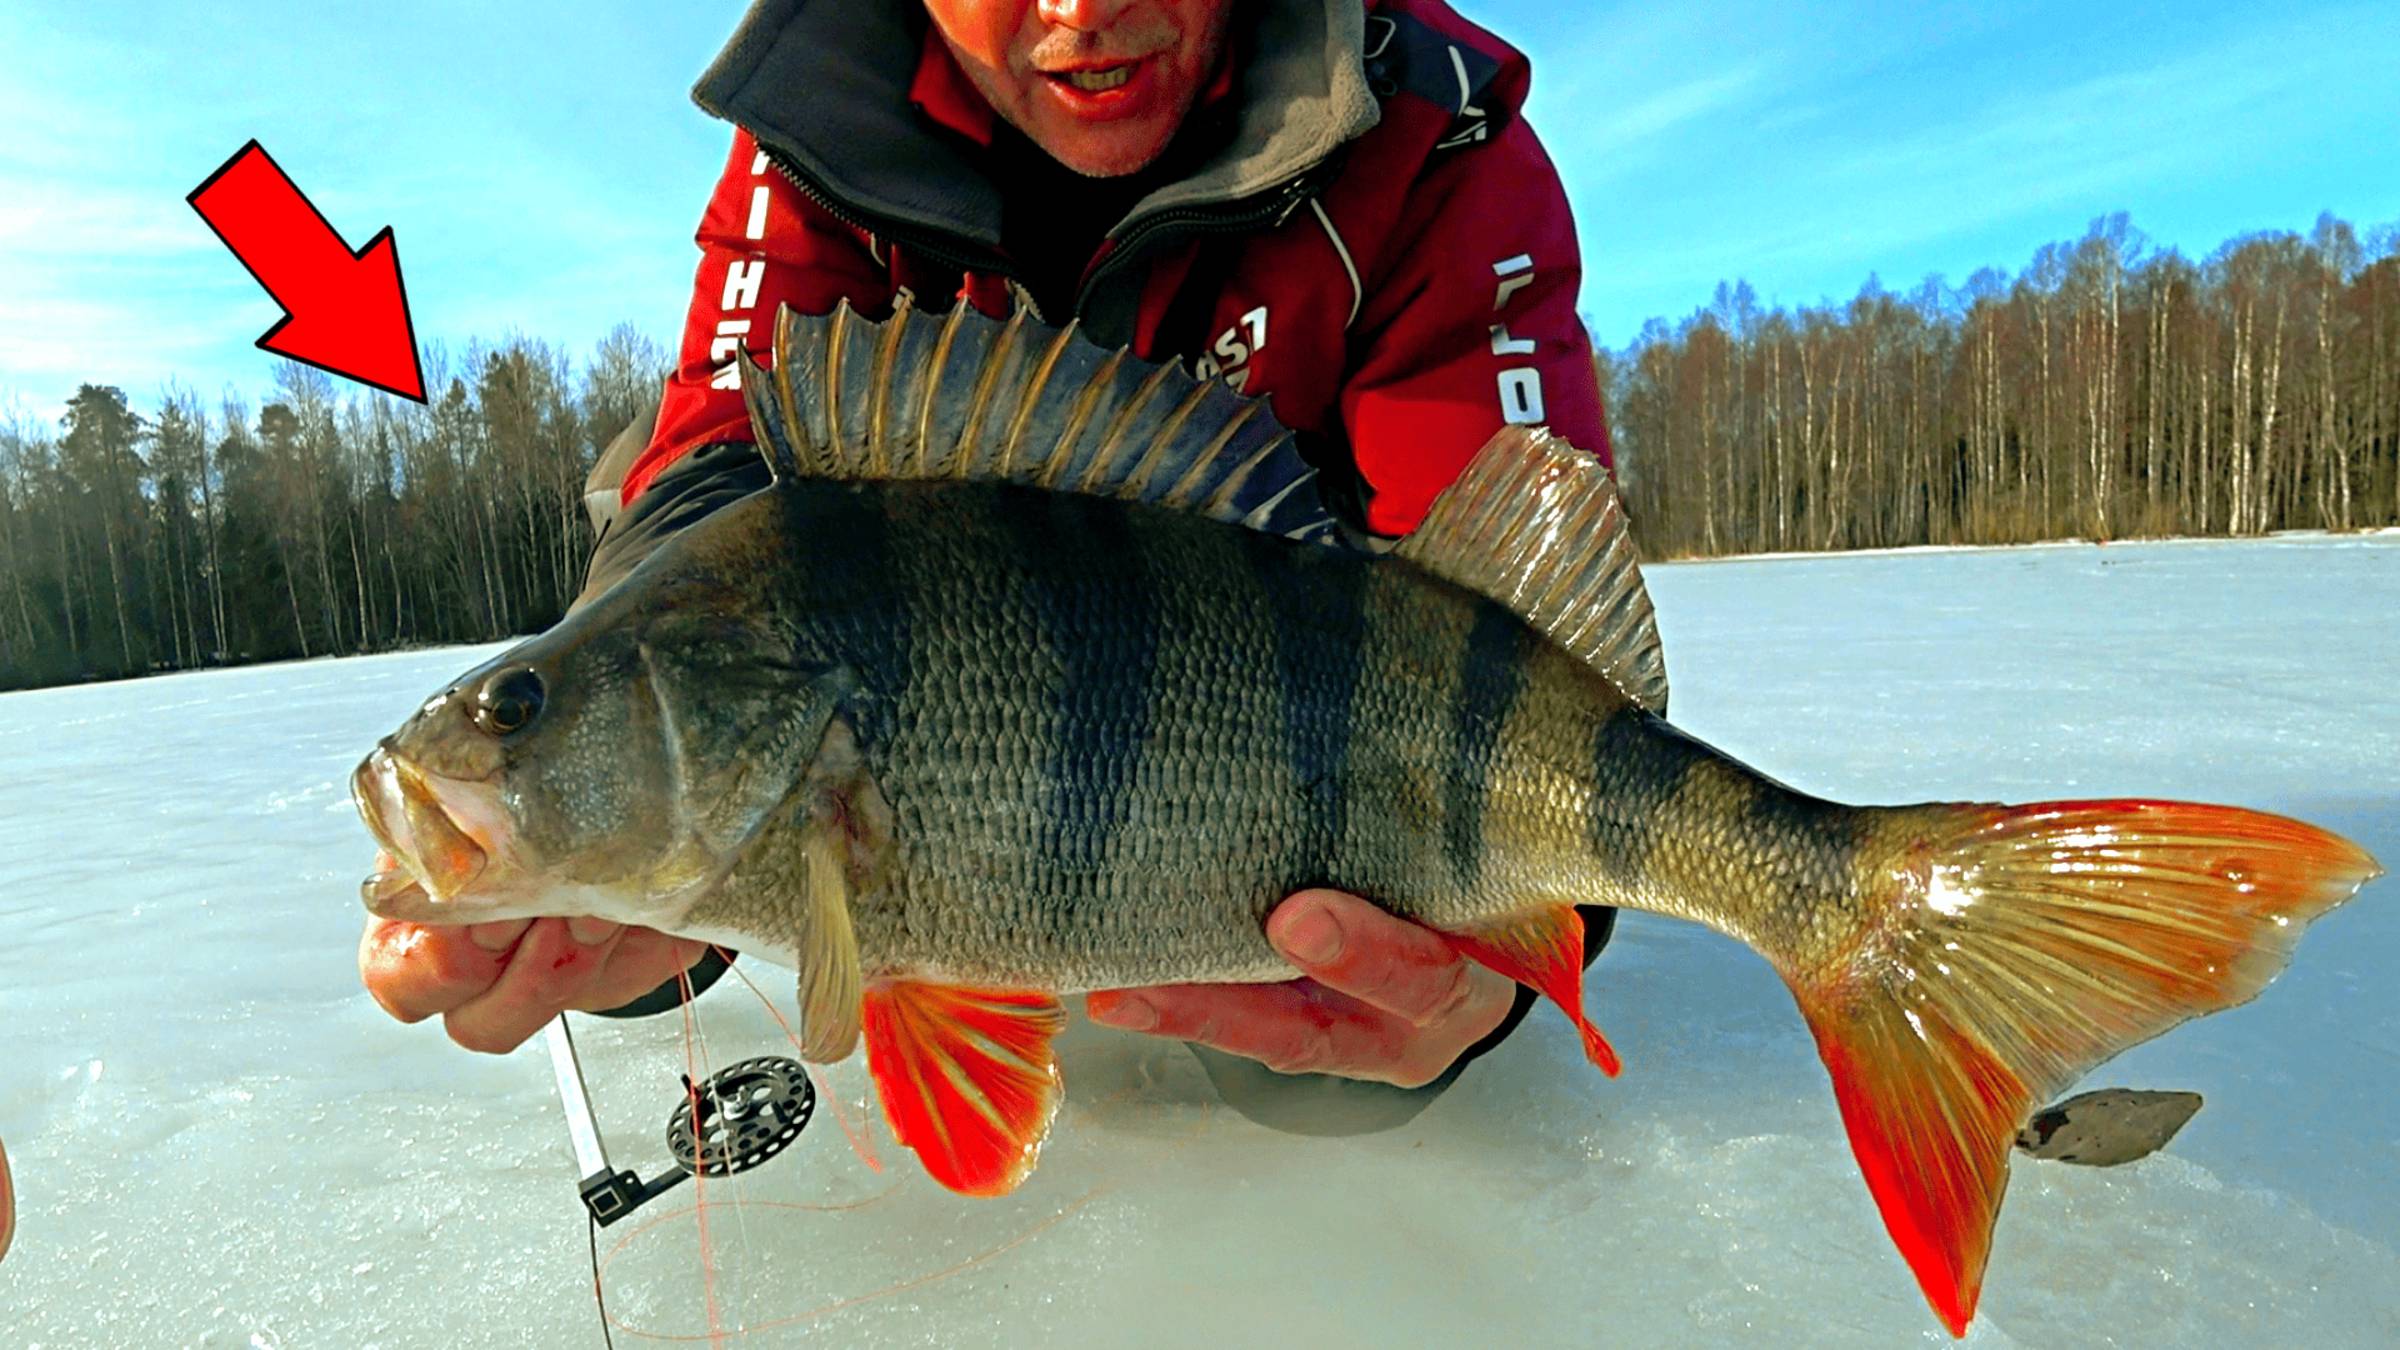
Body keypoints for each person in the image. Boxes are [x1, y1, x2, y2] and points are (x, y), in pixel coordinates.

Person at [361, 0, 1618, 1132]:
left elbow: (1529, 641)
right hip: (922, 746)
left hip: (1331, 784)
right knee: (648, 895)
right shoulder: (815, 122)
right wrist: (639, 874)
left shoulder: (1434, 135)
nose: (1086, 8)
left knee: (1324, 1099)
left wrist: (1504, 973)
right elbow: (713, 458)